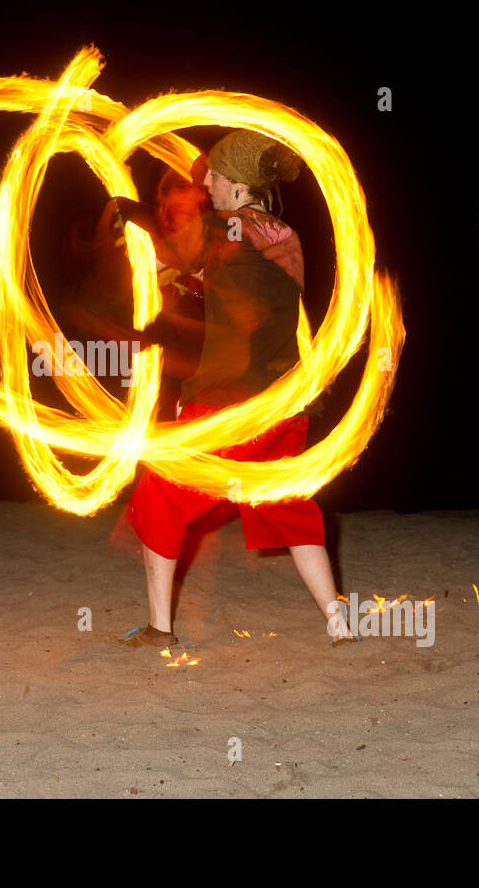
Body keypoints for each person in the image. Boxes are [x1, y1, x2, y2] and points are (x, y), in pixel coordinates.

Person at [112, 129, 358, 648]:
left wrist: (132, 217)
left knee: (160, 494)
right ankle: (339, 625)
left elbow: (155, 261)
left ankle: (159, 628)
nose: (208, 189)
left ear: (240, 186)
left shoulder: (221, 225)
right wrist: (195, 276)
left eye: (216, 180)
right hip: (284, 401)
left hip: (224, 402)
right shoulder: (286, 234)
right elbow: (244, 283)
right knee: (284, 505)